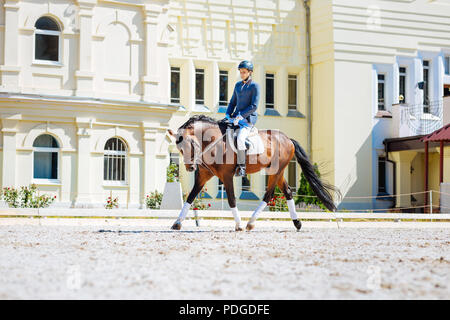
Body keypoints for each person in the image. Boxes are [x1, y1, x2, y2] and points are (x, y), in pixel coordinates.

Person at [223, 60, 260, 177]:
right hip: (235, 118)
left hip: (247, 119)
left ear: (250, 72)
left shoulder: (255, 86)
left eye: (244, 72)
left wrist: (240, 116)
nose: (242, 74)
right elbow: (232, 102)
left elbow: (254, 106)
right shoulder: (238, 85)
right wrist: (228, 114)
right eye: (241, 72)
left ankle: (242, 167)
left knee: (240, 138)